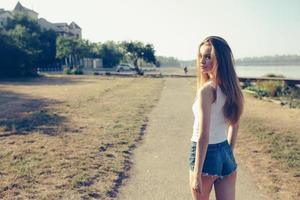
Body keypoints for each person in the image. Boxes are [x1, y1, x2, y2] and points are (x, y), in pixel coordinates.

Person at [188, 36, 244, 200]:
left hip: (206, 157)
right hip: (225, 154)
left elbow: (203, 135)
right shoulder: (232, 88)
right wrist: (228, 153)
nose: (202, 61)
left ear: (219, 59)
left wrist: (197, 174)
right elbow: (234, 125)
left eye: (207, 56)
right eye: (200, 56)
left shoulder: (207, 91)